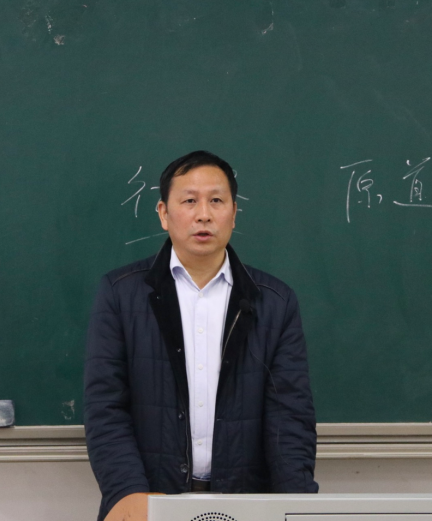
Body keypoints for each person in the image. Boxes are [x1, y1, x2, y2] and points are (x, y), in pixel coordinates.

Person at [84, 151, 318, 521]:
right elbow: (105, 407)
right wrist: (128, 492)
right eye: (189, 201)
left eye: (216, 201)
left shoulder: (274, 301)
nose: (203, 215)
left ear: (234, 213)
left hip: (247, 504)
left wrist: (298, 508)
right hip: (149, 502)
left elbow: (290, 419)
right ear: (164, 213)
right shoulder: (120, 293)